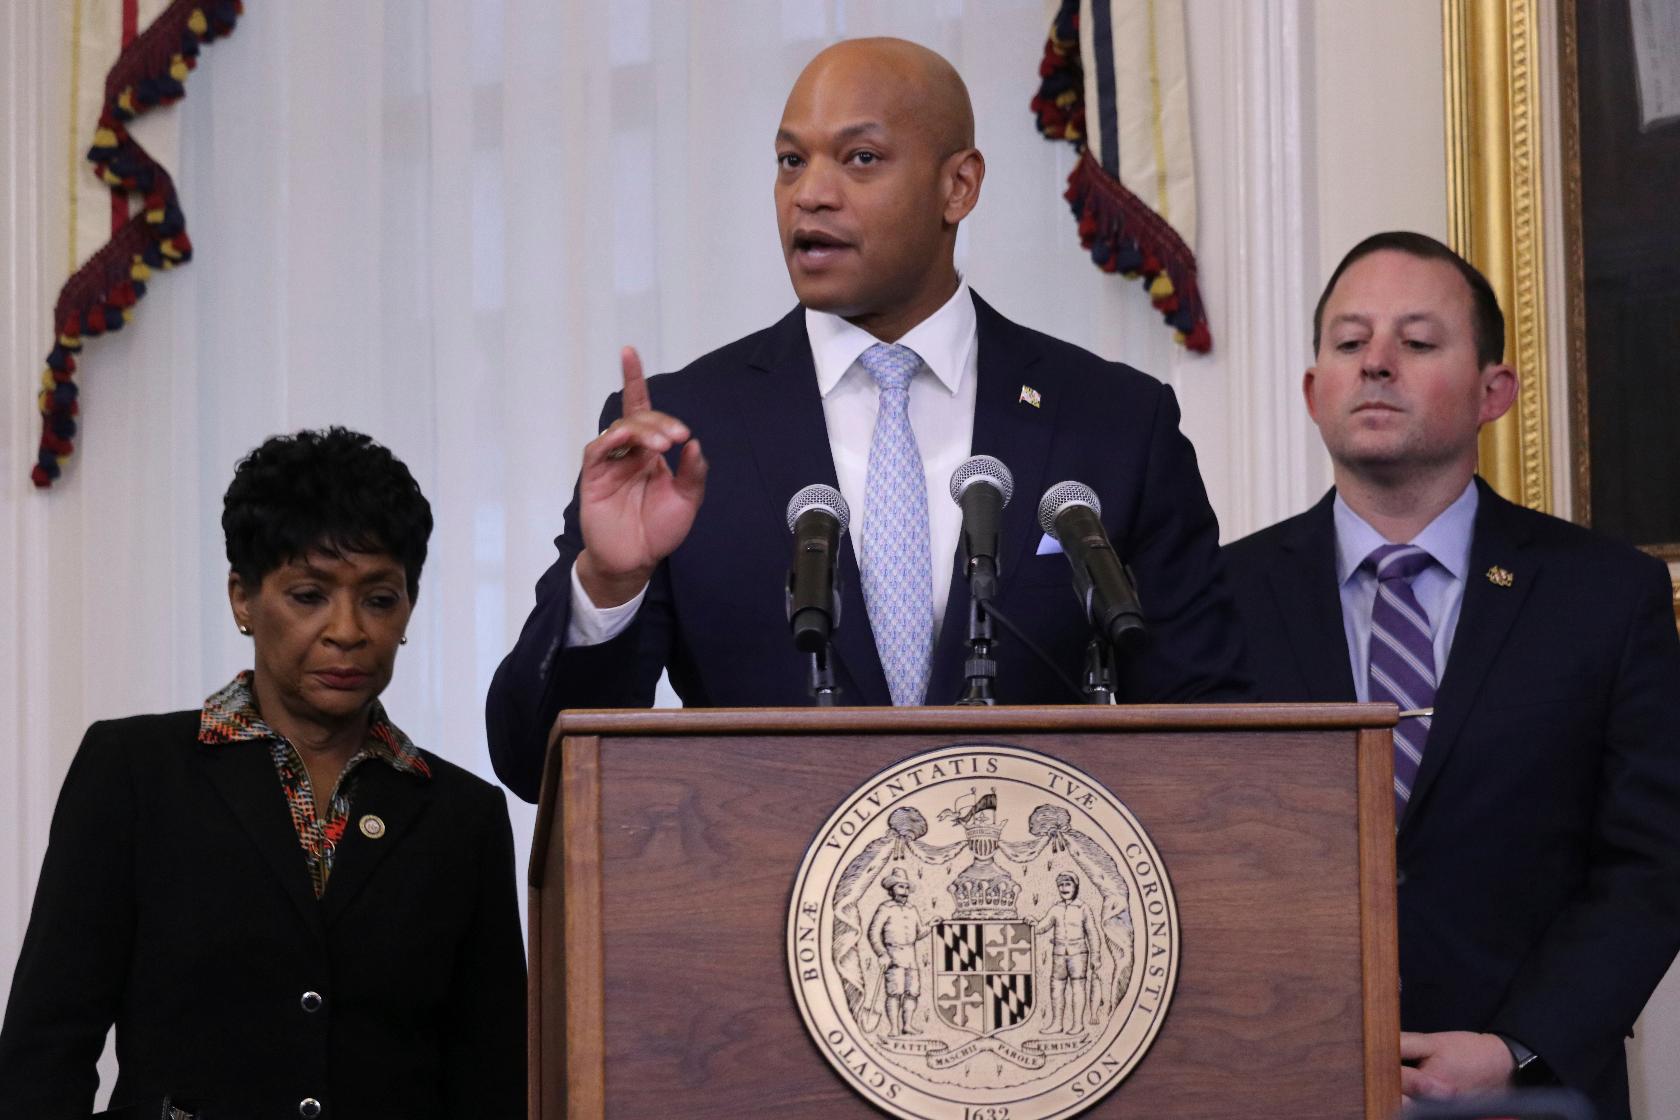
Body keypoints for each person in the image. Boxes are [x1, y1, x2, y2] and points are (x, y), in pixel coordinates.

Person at [487, 37, 1247, 801]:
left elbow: (1218, 735)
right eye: (791, 162)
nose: (810, 194)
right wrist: (610, 583)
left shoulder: (1113, 422)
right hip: (763, 908)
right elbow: (535, 764)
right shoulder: (683, 434)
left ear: (958, 186)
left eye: (859, 159)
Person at [1222, 231, 1680, 1118]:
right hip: (1278, 1080)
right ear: (1314, 392)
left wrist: (1519, 1046)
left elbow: (1652, 858)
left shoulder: (1604, 593)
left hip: (1528, 1092)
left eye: (1418, 342)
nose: (1378, 364)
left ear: (1493, 392)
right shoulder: (1218, 598)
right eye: (1350, 343)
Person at [0, 429, 526, 1118]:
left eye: (379, 598)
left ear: (408, 609)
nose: (347, 630)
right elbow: (46, 1049)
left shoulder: (463, 815)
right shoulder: (134, 771)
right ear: (242, 599)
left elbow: (494, 1080)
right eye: (309, 595)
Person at [1034, 872, 1100, 1033]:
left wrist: (1096, 955)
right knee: (1056, 987)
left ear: (1075, 886)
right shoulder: (1055, 908)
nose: (1064, 888)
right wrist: (1032, 923)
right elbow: (1042, 926)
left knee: (1078, 987)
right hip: (1059, 954)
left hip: (1078, 954)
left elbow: (1092, 932)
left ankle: (1077, 1024)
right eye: (1061, 885)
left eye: (1068, 884)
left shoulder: (1083, 908)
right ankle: (1057, 1024)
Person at [867, 868, 929, 1037]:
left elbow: (918, 933)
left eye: (907, 888)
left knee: (912, 993)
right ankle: (894, 1028)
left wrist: (930, 926)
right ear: (892, 889)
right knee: (895, 993)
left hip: (911, 956)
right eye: (901, 887)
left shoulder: (912, 909)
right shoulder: (885, 908)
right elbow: (873, 933)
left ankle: (907, 1025)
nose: (905, 891)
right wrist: (882, 953)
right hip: (893, 956)